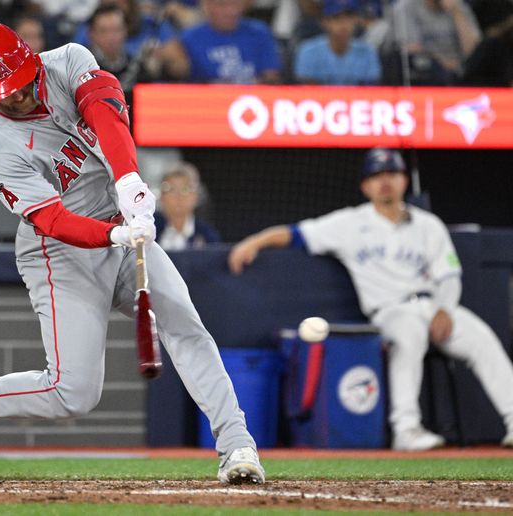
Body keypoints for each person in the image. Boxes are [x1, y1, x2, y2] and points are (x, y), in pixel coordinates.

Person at [0, 22, 265, 485]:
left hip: (121, 218)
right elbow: (53, 220)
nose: (16, 98)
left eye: (20, 83)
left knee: (185, 323)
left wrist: (129, 182)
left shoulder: (68, 61)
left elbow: (106, 110)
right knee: (72, 393)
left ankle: (236, 445)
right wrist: (113, 236)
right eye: (3, 92)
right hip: (59, 253)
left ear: (31, 61)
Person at [228, 148, 513, 451]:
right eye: (376, 176)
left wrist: (444, 309)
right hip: (391, 310)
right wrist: (254, 241)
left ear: (404, 179)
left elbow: (450, 277)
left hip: (435, 306)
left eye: (391, 173)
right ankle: (406, 429)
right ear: (366, 186)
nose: (385, 182)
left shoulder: (429, 225)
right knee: (409, 336)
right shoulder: (351, 223)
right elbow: (296, 234)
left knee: (482, 338)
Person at [160, 0, 281, 84]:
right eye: (222, 5)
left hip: (251, 102)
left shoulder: (259, 33)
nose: (231, 11)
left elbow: (271, 77)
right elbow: (183, 78)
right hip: (208, 106)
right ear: (207, 6)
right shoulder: (189, 38)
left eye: (235, 3)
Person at [390, 0, 481, 83]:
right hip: (426, 76)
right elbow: (411, 50)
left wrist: (456, 12)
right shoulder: (406, 7)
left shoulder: (459, 6)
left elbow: (474, 52)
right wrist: (442, 63)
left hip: (462, 75)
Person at [293, 0, 381, 85]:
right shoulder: (308, 51)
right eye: (336, 17)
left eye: (349, 17)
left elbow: (369, 91)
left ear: (356, 20)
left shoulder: (368, 52)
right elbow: (308, 93)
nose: (343, 24)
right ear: (325, 21)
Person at [155, 162, 221, 251]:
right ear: (161, 196)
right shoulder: (149, 233)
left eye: (185, 189)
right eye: (171, 189)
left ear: (196, 196)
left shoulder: (208, 236)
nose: (178, 196)